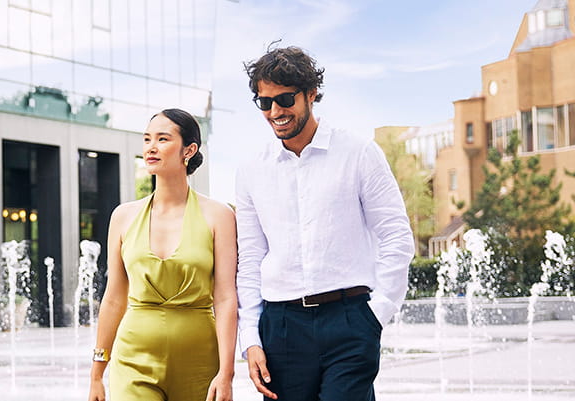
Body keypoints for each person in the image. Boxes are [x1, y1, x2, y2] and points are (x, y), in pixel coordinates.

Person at [235, 46, 415, 401]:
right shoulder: (251, 170)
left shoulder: (359, 152)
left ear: (311, 94)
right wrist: (251, 338)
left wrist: (375, 317)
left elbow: (396, 237)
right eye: (264, 102)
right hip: (281, 326)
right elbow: (251, 259)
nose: (275, 112)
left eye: (285, 99)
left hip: (349, 321)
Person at [88, 108, 239, 401]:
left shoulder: (219, 215)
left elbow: (225, 297)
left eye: (163, 139)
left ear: (189, 150)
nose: (151, 148)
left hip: (200, 362)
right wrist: (96, 372)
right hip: (134, 359)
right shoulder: (123, 216)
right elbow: (114, 298)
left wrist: (227, 372)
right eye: (147, 140)